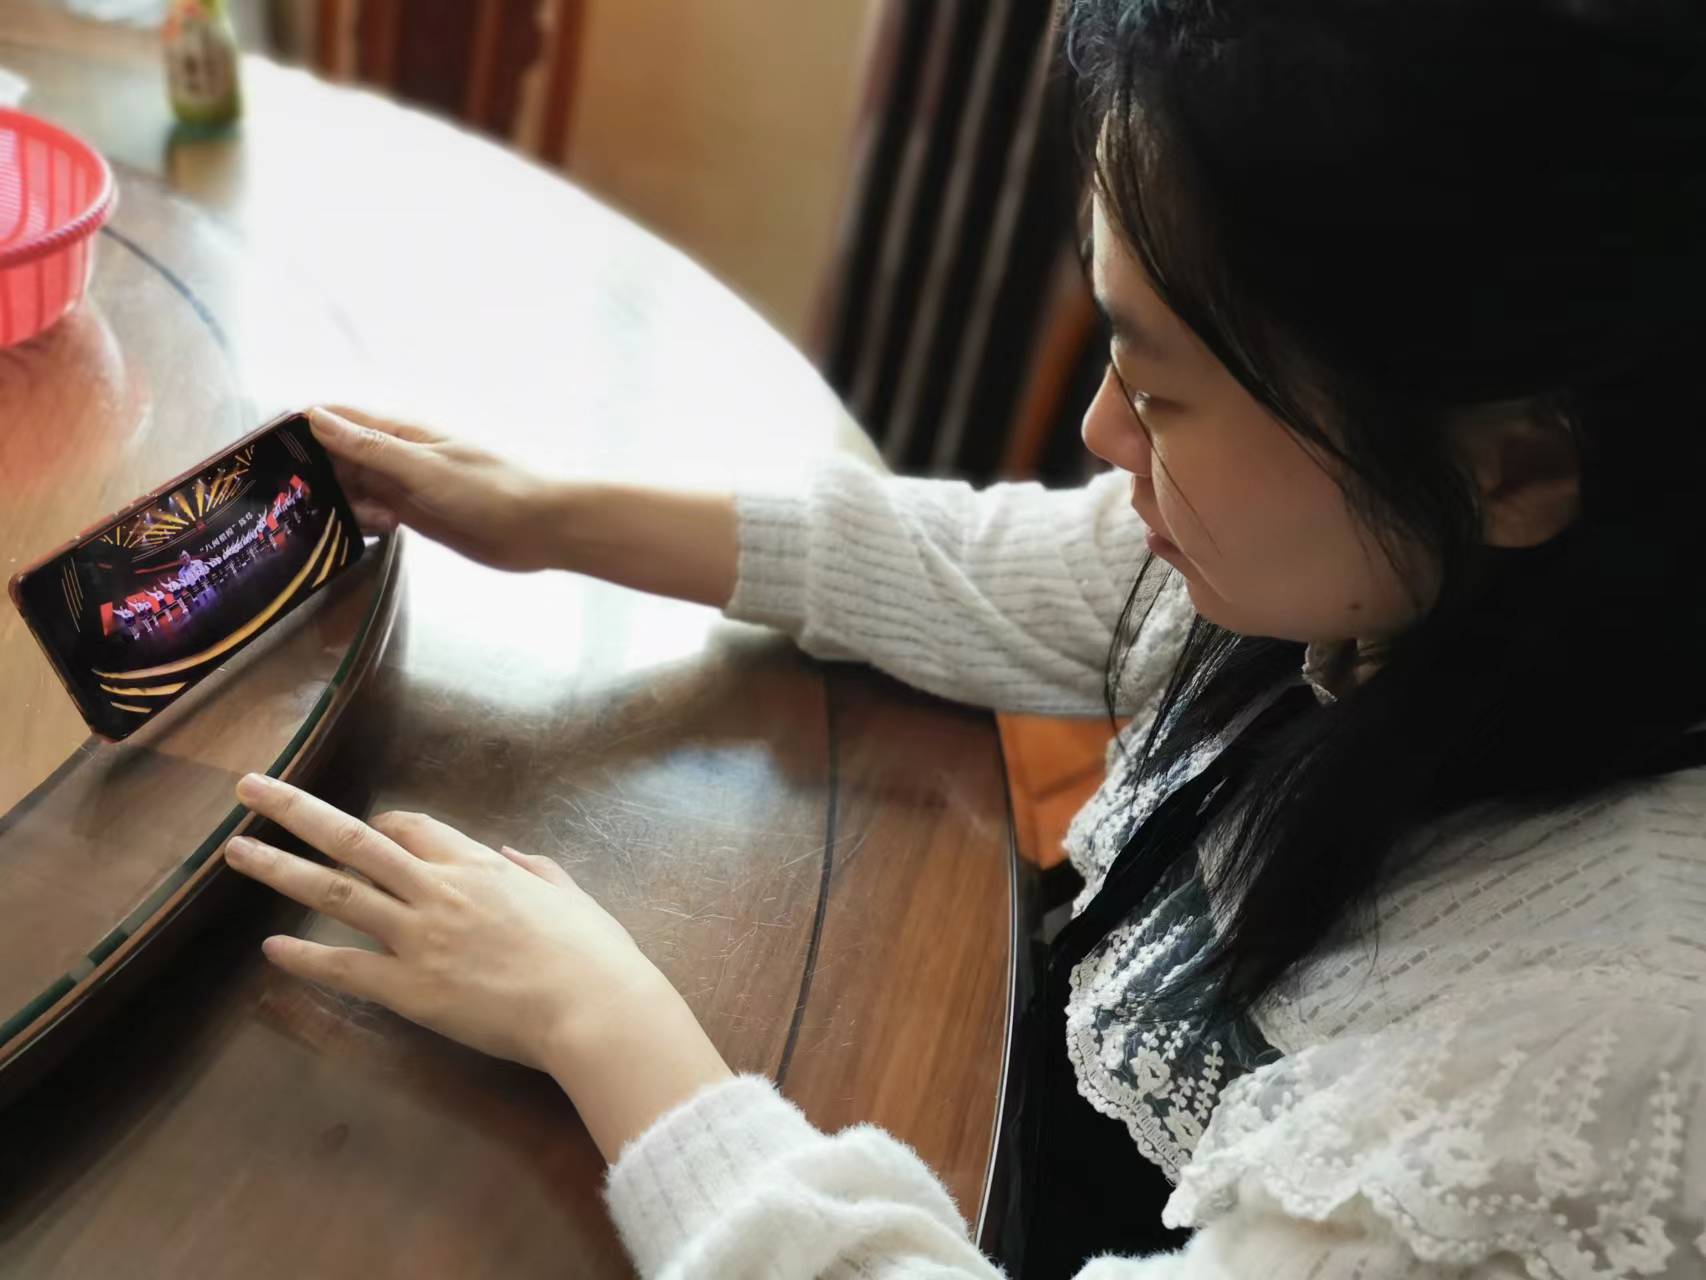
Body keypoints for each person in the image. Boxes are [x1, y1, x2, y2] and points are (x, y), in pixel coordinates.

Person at [220, 1, 1706, 1276]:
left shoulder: (1593, 1075)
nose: (1099, 431)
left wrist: (597, 1018)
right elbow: (998, 567)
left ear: (1513, 469)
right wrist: (544, 513)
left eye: (1162, 389)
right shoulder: (1396, 584)